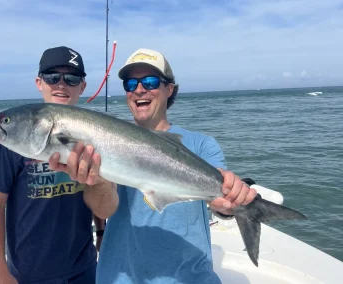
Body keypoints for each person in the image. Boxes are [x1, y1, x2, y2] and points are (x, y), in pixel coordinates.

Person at [49, 48, 257, 283]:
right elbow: (103, 210)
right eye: (131, 84)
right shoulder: (105, 141)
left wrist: (228, 202)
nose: (139, 89)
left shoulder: (202, 145)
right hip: (120, 277)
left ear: (169, 89)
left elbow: (218, 198)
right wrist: (98, 181)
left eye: (150, 81)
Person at [0, 46, 106, 284]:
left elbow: (95, 187)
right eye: (51, 77)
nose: (61, 84)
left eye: (71, 78)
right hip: (29, 273)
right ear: (39, 82)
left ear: (82, 86)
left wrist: (100, 230)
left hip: (83, 267)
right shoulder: (13, 145)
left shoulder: (93, 135)